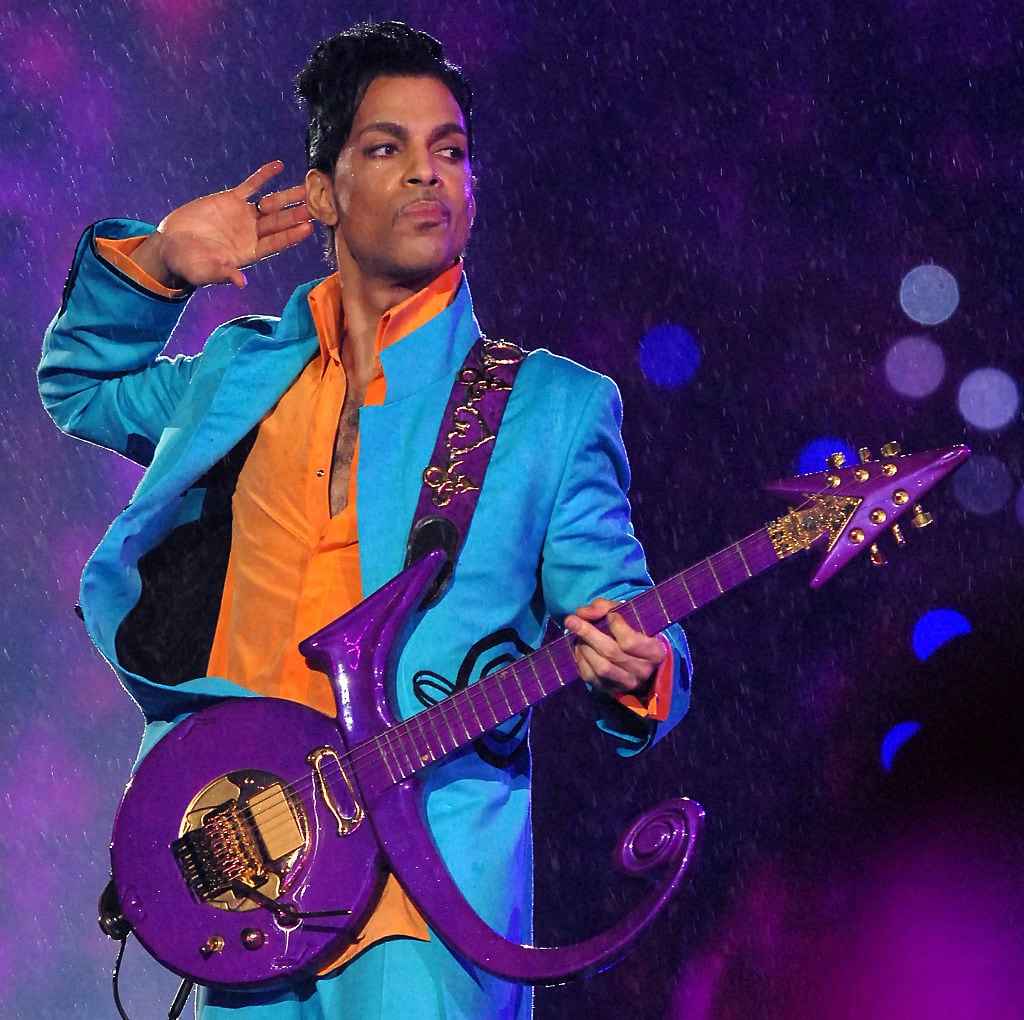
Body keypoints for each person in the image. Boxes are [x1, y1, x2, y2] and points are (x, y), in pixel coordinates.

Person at [39, 21, 690, 1020]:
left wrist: (643, 669)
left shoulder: (546, 409)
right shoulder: (237, 372)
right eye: (387, 148)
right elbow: (82, 384)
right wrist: (164, 259)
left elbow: (624, 610)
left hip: (420, 904)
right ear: (322, 193)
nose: (430, 175)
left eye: (451, 150)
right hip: (251, 880)